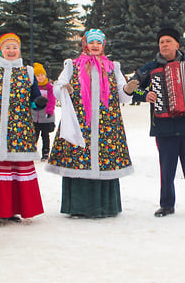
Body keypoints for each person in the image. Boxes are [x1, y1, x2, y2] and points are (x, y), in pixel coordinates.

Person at [128, 26, 185, 219]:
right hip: (163, 126)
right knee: (167, 168)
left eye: (168, 41)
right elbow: (133, 88)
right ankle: (166, 204)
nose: (164, 45)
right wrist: (145, 94)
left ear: (177, 44)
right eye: (161, 42)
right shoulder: (150, 68)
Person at [46, 30, 134, 218]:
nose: (95, 46)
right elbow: (58, 87)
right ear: (85, 44)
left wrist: (127, 89)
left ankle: (106, 206)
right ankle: (79, 207)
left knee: (104, 160)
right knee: (79, 159)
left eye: (99, 43)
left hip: (106, 125)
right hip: (80, 123)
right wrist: (64, 88)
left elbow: (121, 95)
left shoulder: (112, 67)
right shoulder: (73, 65)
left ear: (104, 45)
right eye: (91, 42)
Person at [0, 33, 46, 227]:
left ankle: (10, 210)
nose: (11, 51)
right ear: (1, 50)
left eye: (14, 47)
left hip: (19, 129)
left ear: (19, 50)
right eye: (7, 47)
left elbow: (34, 99)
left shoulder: (27, 72)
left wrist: (38, 103)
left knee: (15, 169)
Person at [31, 62, 56, 161]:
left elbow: (51, 100)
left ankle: (45, 152)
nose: (40, 77)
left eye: (42, 75)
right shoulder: (33, 87)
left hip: (45, 117)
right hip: (34, 116)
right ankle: (32, 151)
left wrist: (49, 110)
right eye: (38, 75)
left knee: (45, 135)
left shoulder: (48, 87)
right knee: (34, 135)